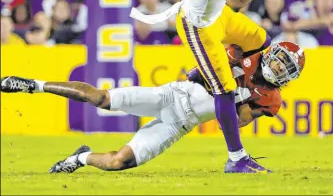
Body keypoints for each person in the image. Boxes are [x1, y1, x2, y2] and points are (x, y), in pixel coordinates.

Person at [0, 42, 306, 174]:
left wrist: (241, 92)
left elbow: (235, 123)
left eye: (285, 66)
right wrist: (215, 71)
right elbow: (200, 68)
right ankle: (34, 85)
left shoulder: (270, 98)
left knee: (119, 162)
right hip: (172, 95)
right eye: (279, 58)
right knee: (101, 99)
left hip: (179, 124)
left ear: (289, 76)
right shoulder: (243, 53)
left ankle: (79, 157)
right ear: (272, 52)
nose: (278, 66)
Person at [130, 0, 274, 174]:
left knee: (261, 42)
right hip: (199, 25)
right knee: (225, 90)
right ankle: (236, 158)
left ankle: (204, 73)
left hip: (217, 14)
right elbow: (236, 0)